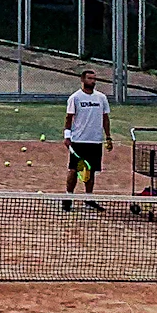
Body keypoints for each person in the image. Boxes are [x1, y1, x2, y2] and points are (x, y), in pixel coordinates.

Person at [62, 67, 110, 210]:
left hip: (95, 141)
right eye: (90, 78)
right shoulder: (75, 98)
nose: (93, 81)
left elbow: (105, 118)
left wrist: (108, 137)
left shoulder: (101, 98)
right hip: (79, 141)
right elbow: (68, 118)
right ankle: (68, 198)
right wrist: (67, 136)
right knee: (73, 170)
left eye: (94, 79)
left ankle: (89, 199)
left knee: (91, 170)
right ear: (83, 80)